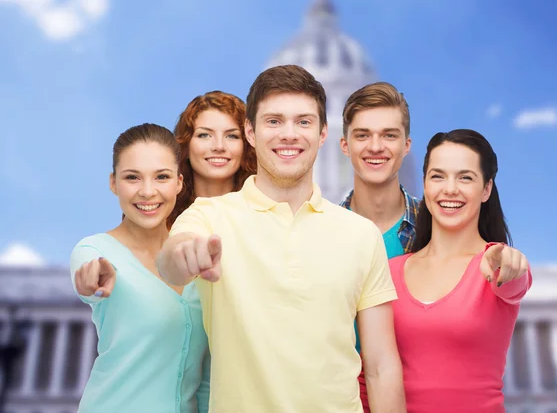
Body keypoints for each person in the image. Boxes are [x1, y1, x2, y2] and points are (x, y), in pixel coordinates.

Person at [157, 65, 407, 412]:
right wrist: (184, 255)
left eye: (303, 122)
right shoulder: (210, 216)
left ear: (323, 134)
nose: (289, 134)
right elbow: (171, 260)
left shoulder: (361, 234)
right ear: (251, 133)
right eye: (274, 121)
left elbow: (381, 366)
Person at [389, 129, 532, 413]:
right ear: (424, 184)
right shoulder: (390, 271)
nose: (450, 189)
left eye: (465, 177)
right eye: (438, 176)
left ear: (487, 189)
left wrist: (510, 262)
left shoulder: (496, 264)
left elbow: (515, 281)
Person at [70, 124, 210, 413]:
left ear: (179, 183)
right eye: (132, 178)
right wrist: (91, 283)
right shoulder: (95, 251)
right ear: (113, 183)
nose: (148, 192)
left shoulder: (195, 255)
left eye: (162, 177)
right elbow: (88, 279)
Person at [339, 82, 420, 411]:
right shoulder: (320, 235)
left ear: (407, 145)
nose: (376, 147)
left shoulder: (439, 229)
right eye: (362, 135)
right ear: (344, 145)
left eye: (389, 135)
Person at [168, 90, 256, 228]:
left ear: (247, 145)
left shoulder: (266, 216)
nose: (219, 146)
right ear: (185, 144)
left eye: (231, 136)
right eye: (205, 135)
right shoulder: (163, 218)